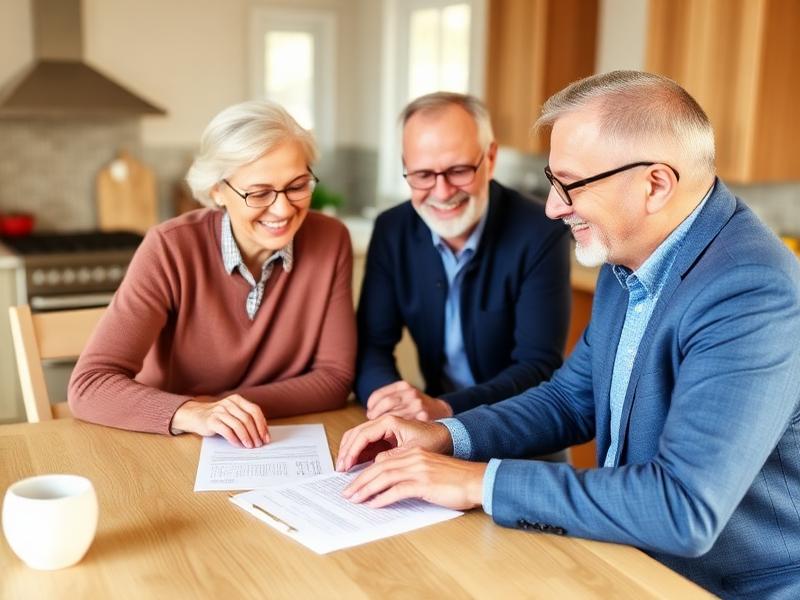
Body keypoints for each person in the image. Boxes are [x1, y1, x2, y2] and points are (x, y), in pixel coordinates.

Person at [336, 71, 800, 598]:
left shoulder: (749, 289)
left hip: (720, 586)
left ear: (655, 185)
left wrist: (473, 480)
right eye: (552, 181)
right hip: (627, 556)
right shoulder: (629, 250)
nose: (554, 207)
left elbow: (682, 507)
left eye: (571, 185)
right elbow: (569, 398)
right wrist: (444, 436)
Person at [69, 100, 356, 448]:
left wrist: (227, 408)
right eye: (259, 192)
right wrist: (193, 413)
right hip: (172, 444)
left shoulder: (331, 239)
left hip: (272, 441)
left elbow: (335, 379)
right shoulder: (170, 248)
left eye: (297, 186)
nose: (283, 209)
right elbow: (90, 385)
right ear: (217, 190)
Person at [356, 92, 571, 421]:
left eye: (458, 171)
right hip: (435, 425)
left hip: (520, 426)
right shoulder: (392, 230)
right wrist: (389, 403)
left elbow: (537, 367)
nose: (442, 193)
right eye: (423, 175)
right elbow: (372, 345)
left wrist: (445, 409)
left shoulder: (541, 232)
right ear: (405, 168)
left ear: (491, 158)